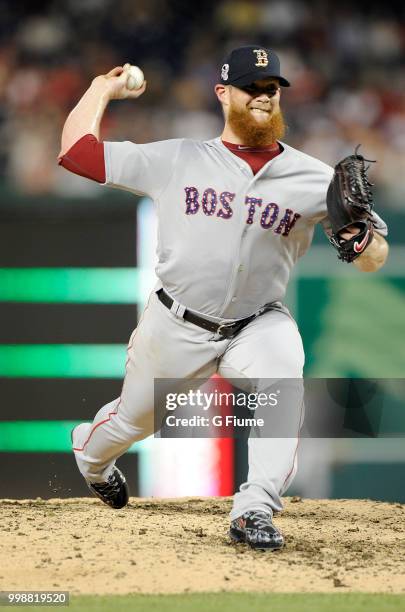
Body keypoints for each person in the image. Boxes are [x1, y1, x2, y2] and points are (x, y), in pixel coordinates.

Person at [58, 45, 389, 551]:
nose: (263, 96)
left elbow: (376, 256)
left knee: (282, 381)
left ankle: (254, 509)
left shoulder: (316, 179)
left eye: (272, 89)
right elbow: (76, 154)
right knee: (134, 420)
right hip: (177, 322)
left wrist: (363, 244)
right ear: (223, 93)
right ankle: (91, 456)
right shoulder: (177, 158)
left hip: (258, 322)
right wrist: (102, 87)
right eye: (252, 87)